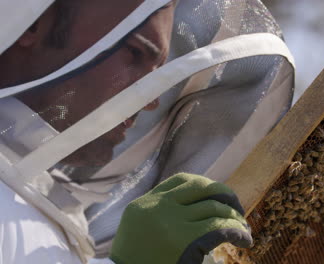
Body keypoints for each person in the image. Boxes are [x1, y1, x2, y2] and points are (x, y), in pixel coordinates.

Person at [0, 0, 295, 263]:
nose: (150, 100)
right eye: (135, 52)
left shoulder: (52, 216)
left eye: (157, 69)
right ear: (35, 21)